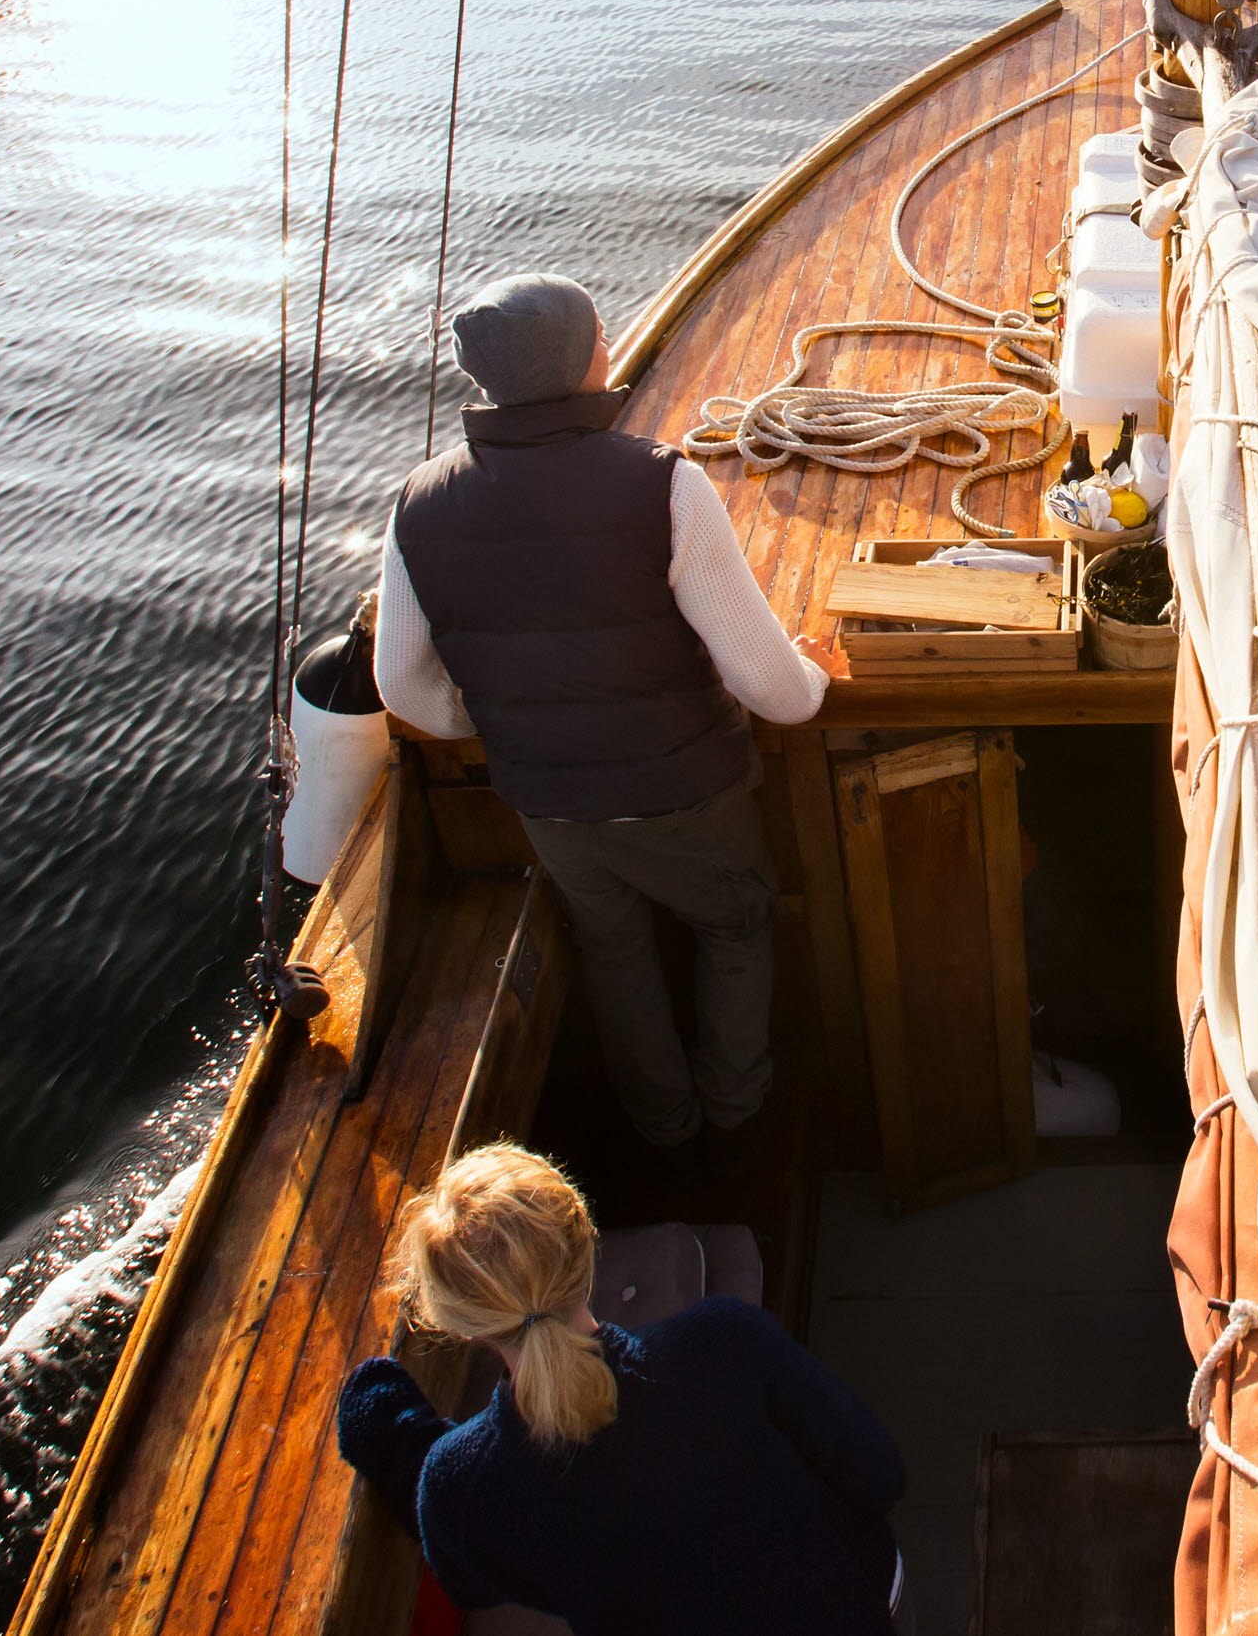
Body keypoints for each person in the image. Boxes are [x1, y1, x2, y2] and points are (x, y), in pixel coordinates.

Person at [377, 273, 831, 1160]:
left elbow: (405, 688)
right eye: (599, 337)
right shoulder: (662, 485)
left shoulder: (418, 502)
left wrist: (499, 724)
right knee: (733, 928)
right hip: (686, 793)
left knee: (614, 947)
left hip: (549, 805)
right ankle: (736, 1115)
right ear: (586, 360)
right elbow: (769, 686)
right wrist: (814, 681)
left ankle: (664, 1126)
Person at [336, 1144, 908, 1636]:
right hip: (855, 1609)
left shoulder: (463, 1489)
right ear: (586, 1245)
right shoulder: (724, 1340)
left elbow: (456, 1545)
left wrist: (375, 1402)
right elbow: (881, 1475)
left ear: (459, 1323)